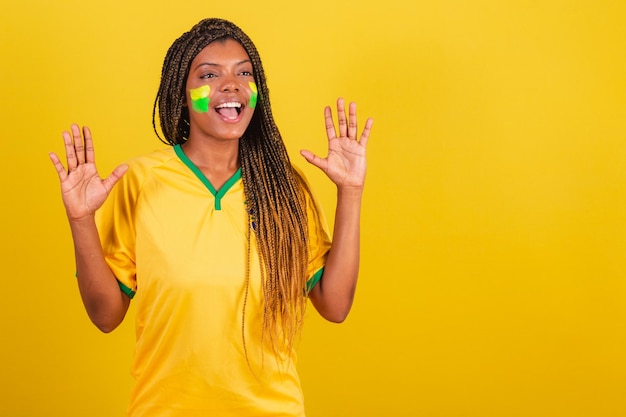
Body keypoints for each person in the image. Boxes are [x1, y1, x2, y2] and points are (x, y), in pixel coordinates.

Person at [49, 17, 373, 417]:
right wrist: (81, 220)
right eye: (209, 75)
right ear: (182, 95)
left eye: (243, 73)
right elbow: (105, 315)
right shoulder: (141, 181)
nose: (231, 85)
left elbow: (336, 305)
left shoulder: (283, 187)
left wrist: (351, 192)